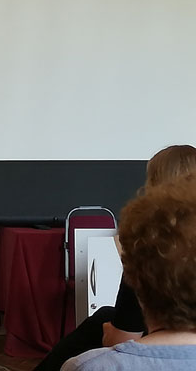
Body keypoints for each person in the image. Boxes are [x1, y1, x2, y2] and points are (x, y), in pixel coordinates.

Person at [35, 144, 196, 370]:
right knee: (103, 316)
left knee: (100, 324)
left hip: (152, 338)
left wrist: (111, 333)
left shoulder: (153, 248)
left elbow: (124, 338)